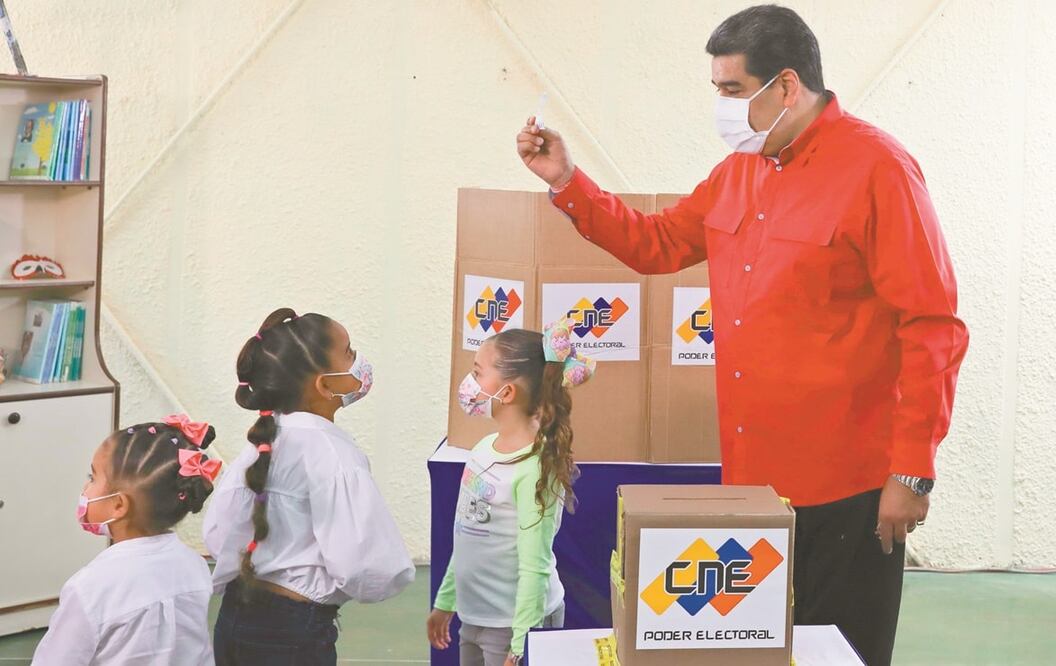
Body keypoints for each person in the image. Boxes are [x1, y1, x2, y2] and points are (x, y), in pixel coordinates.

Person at [514, 6, 969, 665]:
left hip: (847, 484)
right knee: (754, 650)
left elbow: (931, 326)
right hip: (753, 483)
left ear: (785, 86)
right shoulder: (740, 172)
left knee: (838, 651)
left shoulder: (878, 170)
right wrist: (565, 181)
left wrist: (912, 469)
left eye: (731, 90)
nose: (721, 107)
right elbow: (657, 242)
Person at [203, 308, 415, 665]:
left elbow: (218, 534)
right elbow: (369, 567)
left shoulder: (261, 444)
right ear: (325, 385)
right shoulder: (335, 454)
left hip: (234, 615)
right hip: (294, 632)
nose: (359, 360)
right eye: (349, 352)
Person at [427, 319, 596, 666]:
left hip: (513, 627)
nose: (469, 383)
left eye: (478, 372)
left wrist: (522, 642)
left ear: (506, 393)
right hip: (475, 618)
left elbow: (534, 564)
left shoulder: (534, 467)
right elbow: (467, 535)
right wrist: (446, 601)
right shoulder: (483, 449)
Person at [32, 415, 220, 665]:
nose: (85, 487)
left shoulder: (90, 588)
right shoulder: (195, 566)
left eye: (92, 477)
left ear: (119, 505)